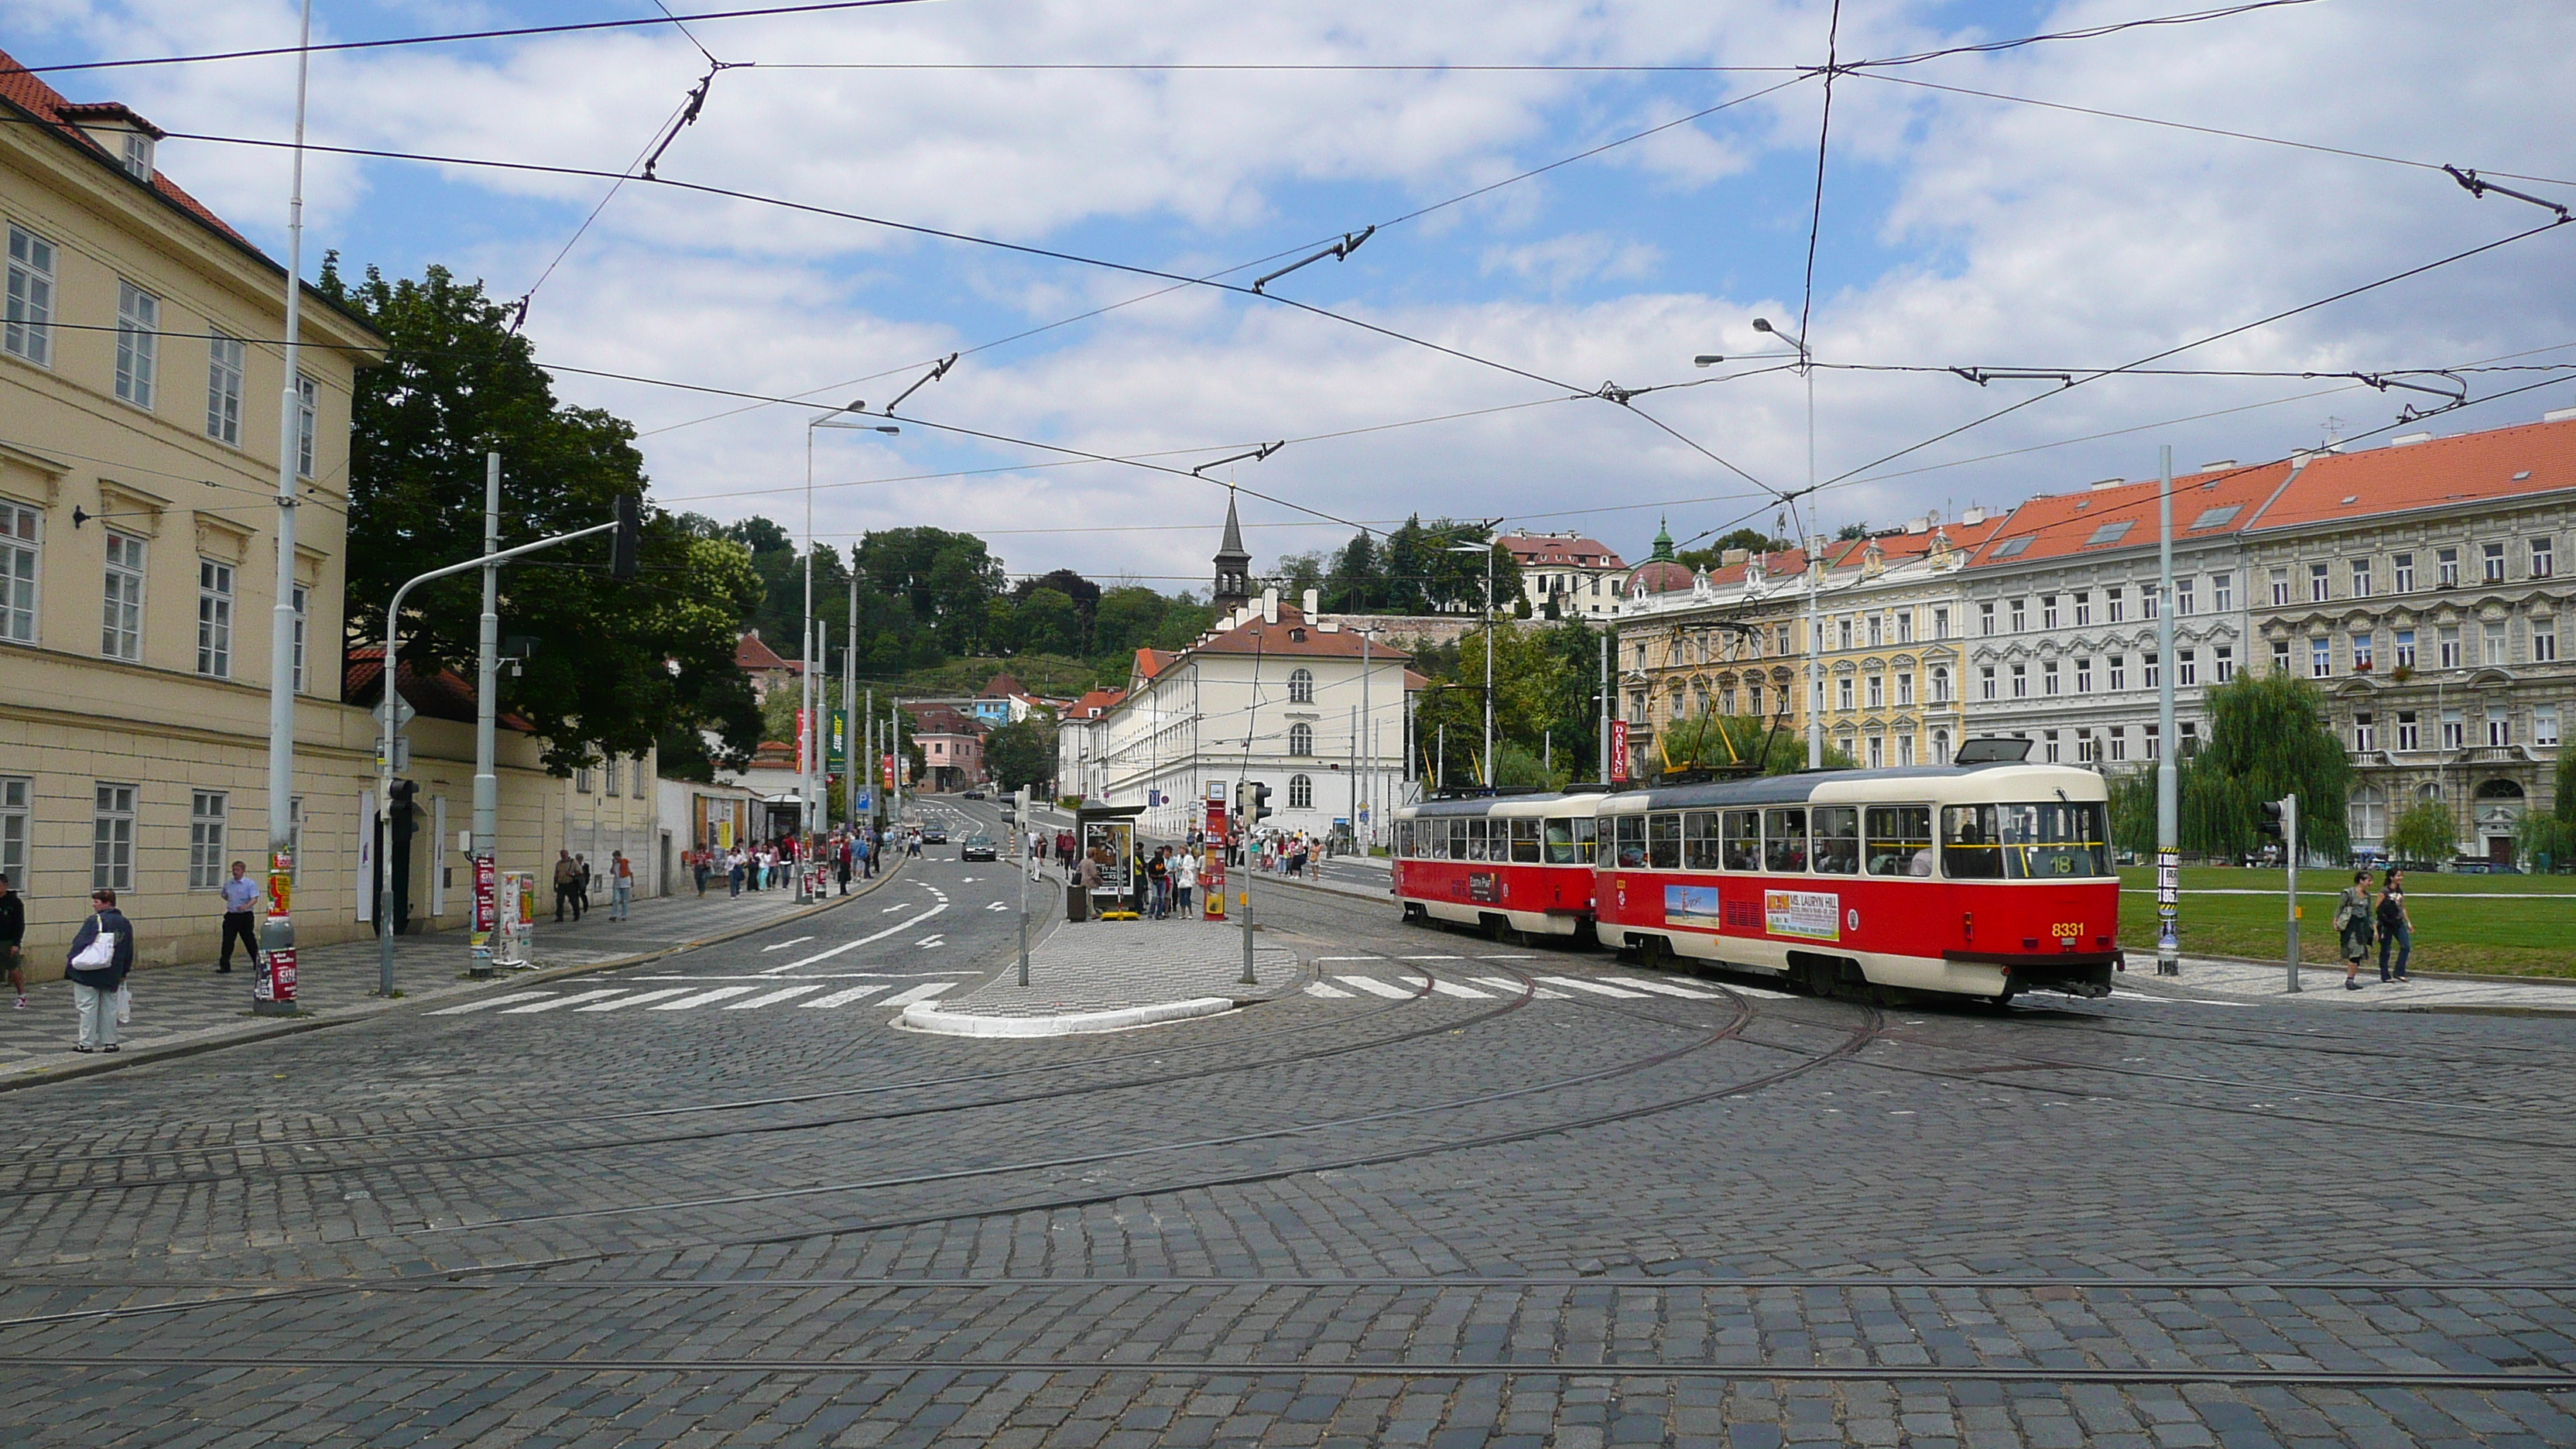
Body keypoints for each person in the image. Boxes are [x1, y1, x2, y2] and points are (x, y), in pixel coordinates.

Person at [64, 887, 133, 1053]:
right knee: (109, 1008)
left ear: (107, 903)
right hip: (113, 972)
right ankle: (110, 1042)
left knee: (87, 1008)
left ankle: (86, 1043)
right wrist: (124, 972)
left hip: (89, 972)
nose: (93, 905)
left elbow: (80, 944)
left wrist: (71, 963)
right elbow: (129, 949)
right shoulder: (125, 922)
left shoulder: (94, 921)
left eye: (96, 902)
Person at [214, 859, 261, 974]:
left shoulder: (249, 884)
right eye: (234, 869)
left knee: (249, 940)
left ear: (243, 871)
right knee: (227, 941)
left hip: (245, 916)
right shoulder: (229, 884)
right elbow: (225, 895)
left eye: (238, 870)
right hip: (231, 916)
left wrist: (246, 906)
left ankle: (258, 962)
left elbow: (254, 898)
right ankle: (225, 965)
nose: (235, 872)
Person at [2334, 869, 2375, 990]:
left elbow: (2370, 913)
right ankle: (2350, 980)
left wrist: (2374, 928)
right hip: (2350, 926)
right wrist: (2335, 921)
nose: (2371, 883)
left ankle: (2351, 979)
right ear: (2361, 881)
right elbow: (2340, 908)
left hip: (2362, 927)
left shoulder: (2368, 896)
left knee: (2360, 951)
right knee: (2355, 952)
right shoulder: (2349, 893)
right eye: (2369, 880)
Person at [2377, 869, 2413, 982]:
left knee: (2406, 946)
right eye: (2398, 876)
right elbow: (2377, 908)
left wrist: (2408, 922)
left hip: (2398, 922)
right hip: (2387, 923)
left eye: (2401, 876)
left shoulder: (2399, 891)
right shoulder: (2384, 891)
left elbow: (2402, 907)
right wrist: (2385, 918)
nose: (2400, 878)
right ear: (2392, 877)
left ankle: (2399, 971)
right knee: (2386, 949)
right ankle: (2385, 975)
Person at [0, 872, 25, 1010]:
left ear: (5, 885)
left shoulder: (14, 902)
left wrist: (16, 943)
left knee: (13, 969)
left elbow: (19, 924)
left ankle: (21, 995)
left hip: (8, 940)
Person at [1077, 848, 1104, 920]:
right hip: (1089, 881)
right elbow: (1093, 874)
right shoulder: (1091, 862)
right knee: (1089, 897)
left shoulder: (1083, 861)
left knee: (1088, 897)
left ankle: (1092, 912)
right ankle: (1092, 913)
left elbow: (1078, 869)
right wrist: (1100, 880)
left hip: (1083, 881)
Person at [1172, 846, 1197, 920]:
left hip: (1187, 879)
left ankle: (1190, 912)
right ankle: (1183, 913)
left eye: (1181, 850)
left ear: (1185, 851)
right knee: (1181, 897)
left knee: (1187, 897)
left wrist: (1184, 868)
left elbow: (1192, 867)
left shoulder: (1189, 858)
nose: (1179, 852)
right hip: (1180, 879)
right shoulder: (1178, 857)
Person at [553, 850, 578, 922]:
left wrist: (572, 874)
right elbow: (556, 875)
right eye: (562, 855)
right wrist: (554, 885)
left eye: (564, 854)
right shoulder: (559, 864)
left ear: (567, 854)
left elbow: (579, 873)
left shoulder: (573, 862)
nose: (563, 856)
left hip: (570, 884)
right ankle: (559, 917)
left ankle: (576, 914)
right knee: (559, 901)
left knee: (573, 900)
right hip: (561, 884)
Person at [609, 851, 633, 920]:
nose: (615, 858)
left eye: (616, 857)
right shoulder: (615, 864)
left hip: (625, 884)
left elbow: (631, 872)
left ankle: (624, 915)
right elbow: (611, 872)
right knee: (616, 899)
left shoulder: (626, 862)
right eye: (614, 857)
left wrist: (632, 881)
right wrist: (613, 864)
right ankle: (614, 915)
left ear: (619, 856)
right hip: (616, 884)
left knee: (625, 901)